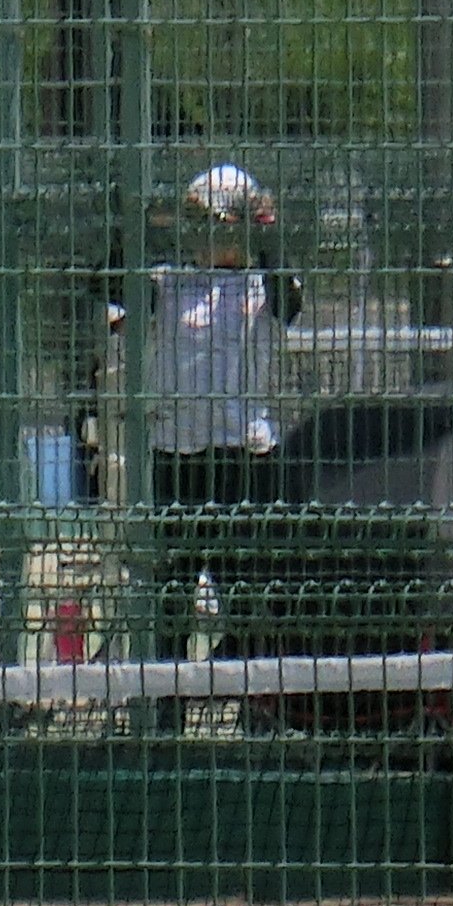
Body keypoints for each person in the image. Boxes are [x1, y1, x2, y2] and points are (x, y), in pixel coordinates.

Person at [131, 161, 302, 652]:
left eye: (217, 222)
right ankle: (164, 717)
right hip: (176, 456)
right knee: (170, 600)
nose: (203, 234)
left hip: (242, 456)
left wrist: (263, 231)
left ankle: (255, 711)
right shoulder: (166, 282)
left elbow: (288, 302)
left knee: (248, 599)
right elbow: (108, 286)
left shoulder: (264, 284)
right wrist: (141, 224)